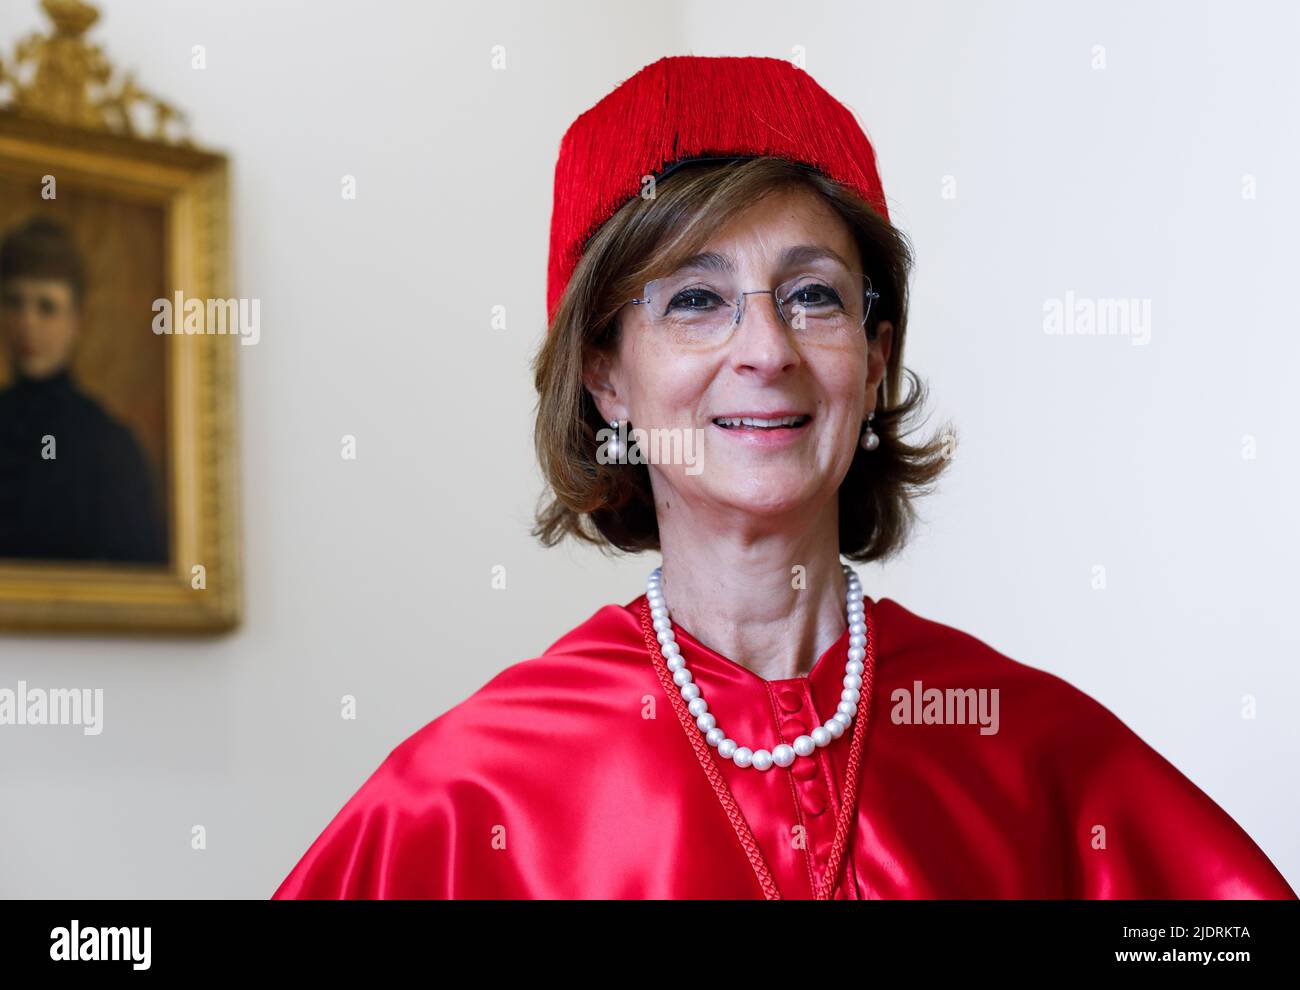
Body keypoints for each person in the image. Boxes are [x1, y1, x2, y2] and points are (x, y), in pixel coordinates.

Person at [272, 55, 1295, 899]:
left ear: (875, 356)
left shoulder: (1034, 750)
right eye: (692, 301)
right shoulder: (464, 799)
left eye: (812, 295)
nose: (766, 348)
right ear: (604, 376)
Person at [0, 216, 167, 564]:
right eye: (15, 303)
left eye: (47, 307)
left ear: (77, 320)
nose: (28, 323)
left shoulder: (108, 446)